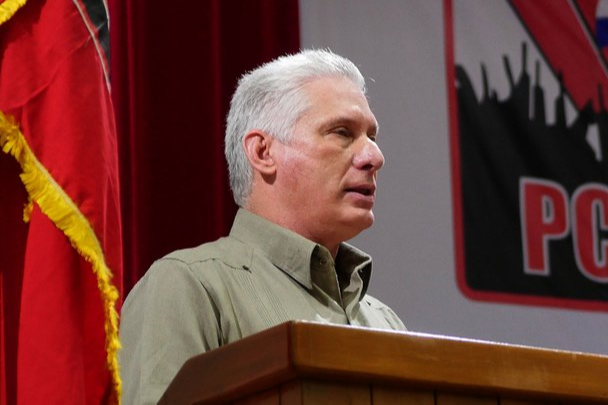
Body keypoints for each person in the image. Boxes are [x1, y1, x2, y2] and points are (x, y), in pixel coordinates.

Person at [119, 49, 405, 404]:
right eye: (342, 133)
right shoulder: (189, 286)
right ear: (263, 152)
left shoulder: (385, 322)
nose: (374, 157)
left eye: (372, 138)